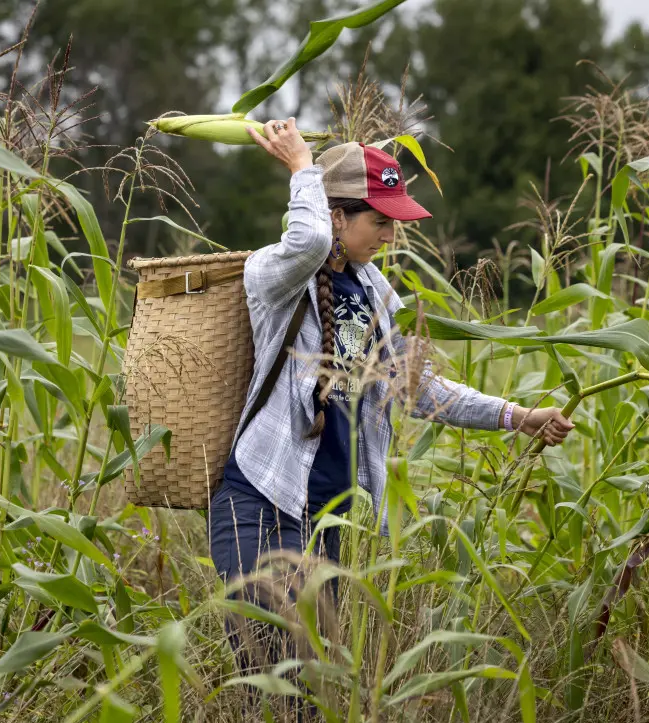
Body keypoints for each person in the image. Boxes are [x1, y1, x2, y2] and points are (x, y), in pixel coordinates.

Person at [208, 118, 574, 670]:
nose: (391, 235)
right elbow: (307, 239)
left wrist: (515, 415)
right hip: (262, 502)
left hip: (326, 519)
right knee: (271, 668)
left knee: (310, 682)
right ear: (336, 215)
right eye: (380, 221)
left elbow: (416, 387)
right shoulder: (276, 275)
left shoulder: (373, 288)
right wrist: (302, 166)